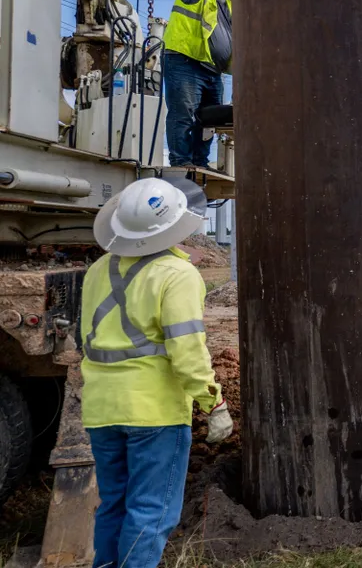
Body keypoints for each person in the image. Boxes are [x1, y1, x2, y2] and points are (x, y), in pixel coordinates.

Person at [80, 177, 234, 567]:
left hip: (101, 408)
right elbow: (187, 351)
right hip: (155, 411)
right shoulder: (177, 275)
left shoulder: (97, 269)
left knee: (113, 504)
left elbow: (89, 340)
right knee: (150, 512)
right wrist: (212, 402)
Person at [163, 0, 232, 168]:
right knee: (183, 114)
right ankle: (181, 162)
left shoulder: (228, 5)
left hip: (213, 71)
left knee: (210, 121)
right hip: (185, 61)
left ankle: (200, 162)